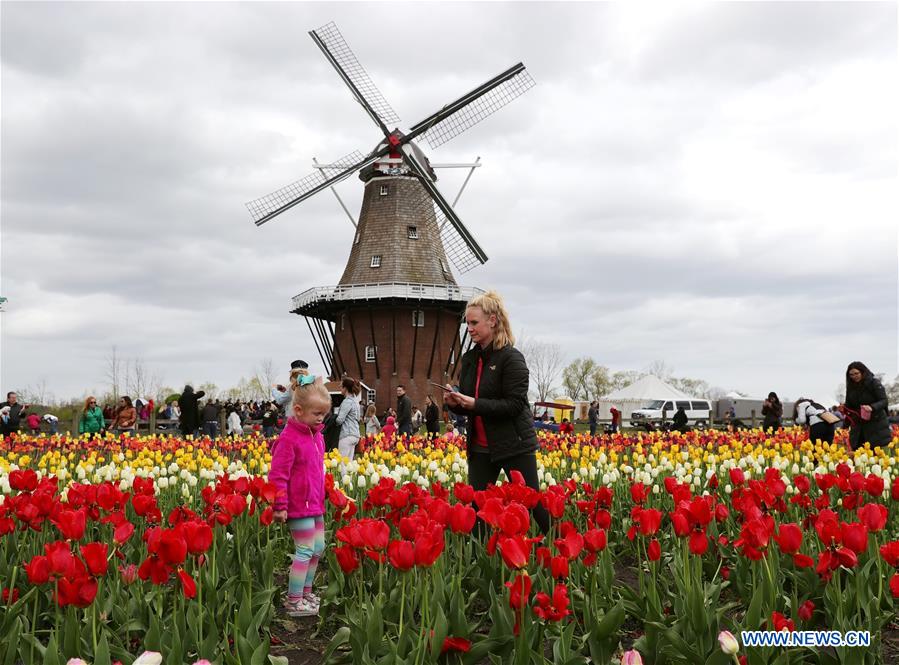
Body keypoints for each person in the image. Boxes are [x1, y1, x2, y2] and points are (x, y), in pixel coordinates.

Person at [444, 290, 550, 535]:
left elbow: (514, 405)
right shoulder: (470, 359)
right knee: (479, 510)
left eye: (474, 323)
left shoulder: (512, 358)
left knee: (534, 505)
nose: (469, 328)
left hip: (513, 444)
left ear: (492, 321)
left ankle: (558, 547)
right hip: (480, 447)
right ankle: (483, 557)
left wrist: (474, 404)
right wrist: (454, 402)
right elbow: (470, 402)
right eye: (467, 323)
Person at [269, 369, 331, 618]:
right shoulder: (288, 439)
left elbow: (317, 470)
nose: (321, 418)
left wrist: (325, 491)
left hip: (314, 504)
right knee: (305, 550)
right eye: (317, 413)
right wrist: (279, 506)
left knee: (318, 549)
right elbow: (278, 475)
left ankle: (306, 592)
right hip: (297, 505)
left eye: (324, 413)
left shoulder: (318, 437)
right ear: (298, 410)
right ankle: (294, 600)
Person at [841, 361, 891, 450]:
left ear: (863, 372)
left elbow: (884, 401)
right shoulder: (851, 387)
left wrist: (872, 407)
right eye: (851, 375)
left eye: (856, 373)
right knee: (858, 452)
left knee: (875, 452)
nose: (854, 376)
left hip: (876, 424)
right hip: (858, 426)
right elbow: (849, 407)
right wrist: (845, 423)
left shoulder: (874, 383)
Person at [335, 377, 361, 463]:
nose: (340, 388)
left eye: (341, 386)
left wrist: (333, 419)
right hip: (355, 434)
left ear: (345, 388)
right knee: (349, 464)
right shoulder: (356, 401)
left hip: (347, 434)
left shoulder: (347, 401)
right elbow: (358, 418)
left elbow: (339, 420)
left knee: (342, 463)